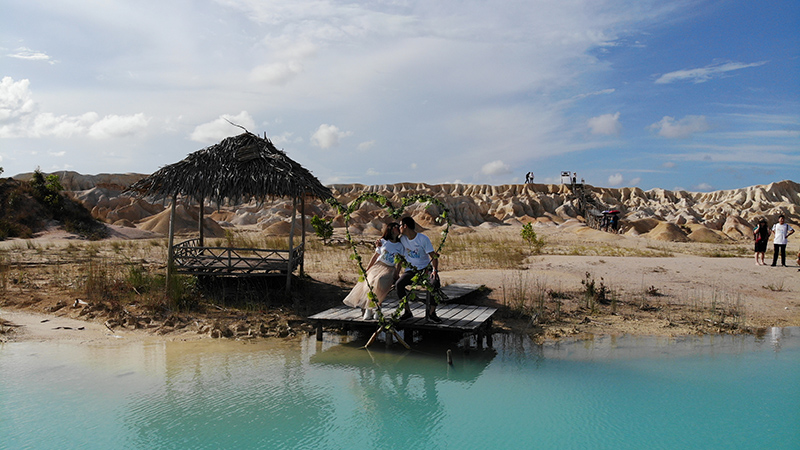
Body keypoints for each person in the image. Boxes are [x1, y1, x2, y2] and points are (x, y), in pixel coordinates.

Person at [343, 222, 404, 319]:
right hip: (378, 265)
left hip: (390, 268)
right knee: (370, 281)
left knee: (381, 281)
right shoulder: (383, 241)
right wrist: (368, 269)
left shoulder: (400, 245)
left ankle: (377, 306)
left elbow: (400, 261)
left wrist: (397, 273)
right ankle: (369, 308)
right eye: (396, 227)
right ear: (391, 229)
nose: (399, 229)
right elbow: (375, 256)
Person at [395, 217, 441, 323]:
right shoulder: (402, 239)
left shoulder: (423, 239)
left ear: (405, 226)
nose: (399, 228)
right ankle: (407, 311)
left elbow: (433, 256)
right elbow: (389, 241)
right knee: (399, 284)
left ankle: (432, 313)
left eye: (401, 225)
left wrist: (434, 270)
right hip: (411, 270)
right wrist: (397, 271)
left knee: (434, 283)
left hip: (425, 269)